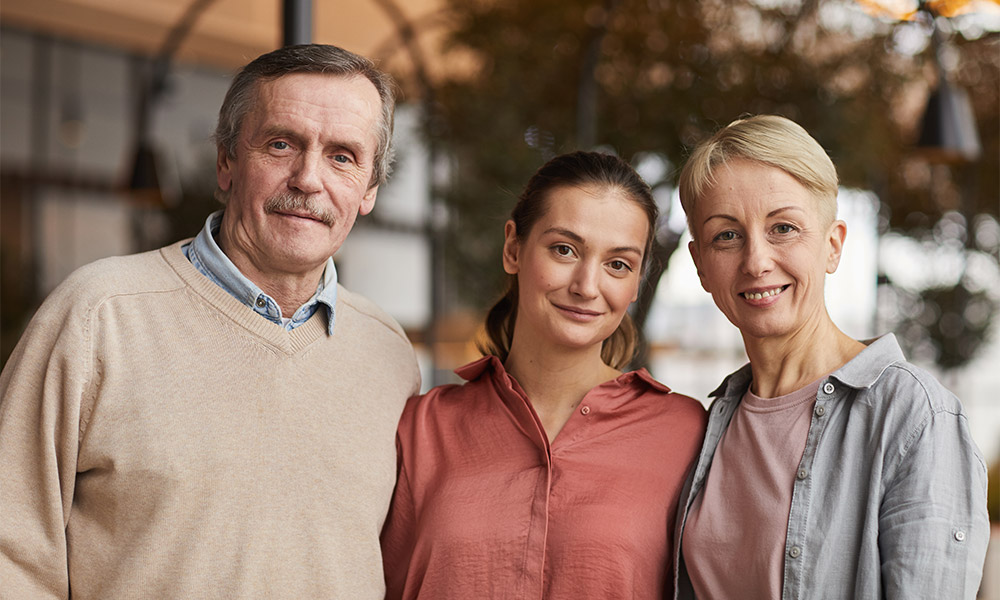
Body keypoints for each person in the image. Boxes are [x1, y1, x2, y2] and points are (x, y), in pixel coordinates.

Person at [0, 44, 420, 599]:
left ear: (368, 189)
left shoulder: (389, 355)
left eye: (342, 156)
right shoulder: (100, 315)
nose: (308, 179)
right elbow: (12, 551)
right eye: (280, 144)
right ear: (226, 160)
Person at [673, 115, 989, 599]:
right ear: (699, 264)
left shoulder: (913, 416)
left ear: (833, 245)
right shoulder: (712, 422)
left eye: (783, 228)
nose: (756, 260)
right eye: (727, 235)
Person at [381, 151, 708, 599]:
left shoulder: (686, 433)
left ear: (635, 285)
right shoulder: (419, 428)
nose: (586, 286)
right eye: (564, 249)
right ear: (513, 248)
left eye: (618, 264)